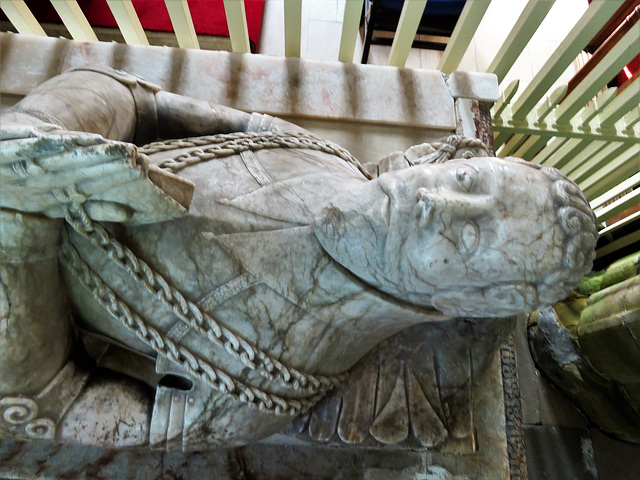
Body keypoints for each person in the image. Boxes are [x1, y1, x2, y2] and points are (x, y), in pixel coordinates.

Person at [0, 67, 598, 450]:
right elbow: (134, 98)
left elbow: (47, 404)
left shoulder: (264, 390)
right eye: (466, 179)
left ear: (468, 300)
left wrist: (20, 235)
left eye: (466, 240)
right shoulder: (315, 151)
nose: (431, 202)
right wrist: (40, 127)